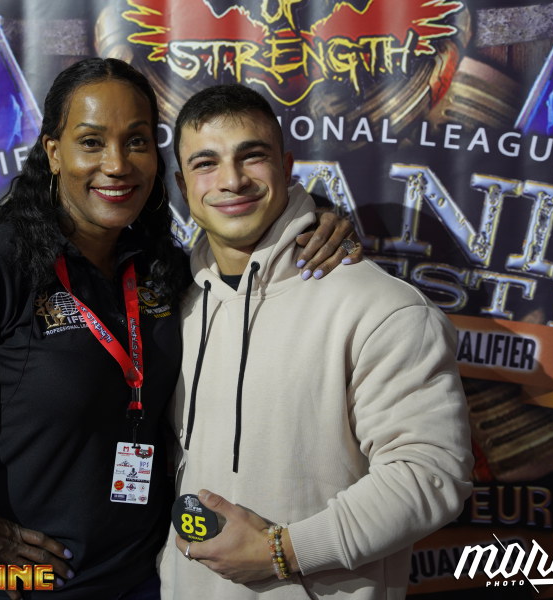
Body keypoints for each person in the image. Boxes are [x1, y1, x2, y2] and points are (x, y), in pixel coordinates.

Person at [0, 59, 359, 599]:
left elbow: (251, 248)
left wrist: (315, 221)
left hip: (152, 579)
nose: (117, 164)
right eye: (91, 142)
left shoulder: (162, 265)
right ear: (53, 152)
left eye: (136, 141)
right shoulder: (2, 264)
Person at [158, 84, 474, 599]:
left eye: (252, 156)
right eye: (206, 163)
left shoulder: (382, 307)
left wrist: (283, 551)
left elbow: (430, 474)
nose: (232, 180)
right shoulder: (177, 302)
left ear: (286, 166)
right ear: (182, 182)